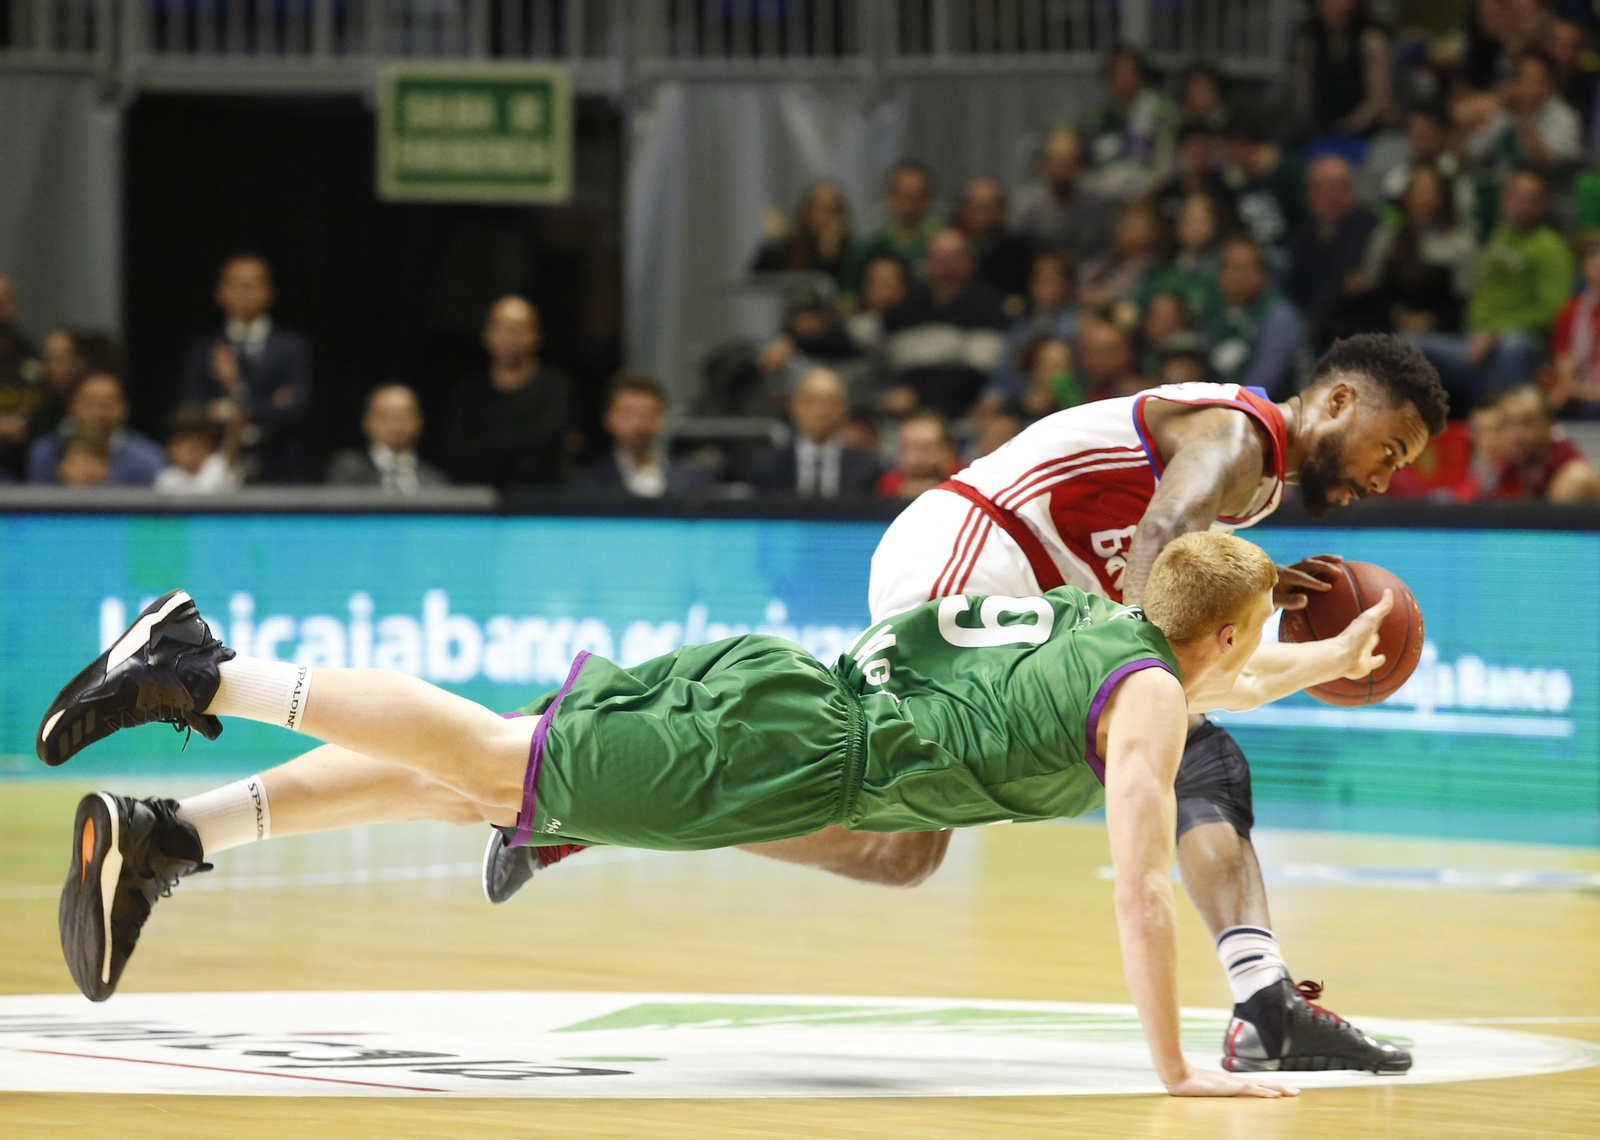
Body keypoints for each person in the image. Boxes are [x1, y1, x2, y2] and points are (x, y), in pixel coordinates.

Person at [41, 530, 1395, 1094]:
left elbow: (1224, 670)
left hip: (787, 696)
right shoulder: (1151, 697)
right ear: (1223, 631)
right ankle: (202, 668)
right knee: (493, 766)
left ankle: (173, 837)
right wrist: (1169, 1074)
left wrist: (1325, 656)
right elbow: (1140, 888)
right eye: (1254, 640)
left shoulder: (1107, 623)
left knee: (484, 778)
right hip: (790, 758)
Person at [529, 333, 1446, 1074]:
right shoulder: (1240, 436)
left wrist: (1261, 592)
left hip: (1017, 586)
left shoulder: (1257, 480)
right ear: (1337, 401)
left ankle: (607, 804)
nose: (1384, 477)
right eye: (1390, 450)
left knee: (901, 852)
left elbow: (1171, 558)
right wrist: (1145, 671)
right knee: (1192, 746)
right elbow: (1165, 533)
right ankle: (1265, 1004)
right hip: (977, 551)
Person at [1405, 169, 1573, 404]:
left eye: (1531, 200)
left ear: (1544, 205)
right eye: (1516, 198)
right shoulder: (1499, 236)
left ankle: (1511, 415)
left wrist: (1495, 332)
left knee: (1513, 347)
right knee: (1408, 345)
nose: (1522, 206)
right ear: (1505, 199)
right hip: (1470, 339)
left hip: (1518, 342)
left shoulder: (1551, 248)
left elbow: (1554, 310)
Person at [181, 255, 313, 484]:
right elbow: (192, 410)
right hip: (217, 463)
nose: (243, 293)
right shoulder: (204, 349)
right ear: (219, 293)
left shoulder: (290, 348)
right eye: (235, 285)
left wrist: (233, 395)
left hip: (279, 466)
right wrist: (269, 404)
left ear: (268, 292)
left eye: (251, 285)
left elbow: (295, 409)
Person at [443, 296, 576, 490]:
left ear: (536, 335)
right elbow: (457, 455)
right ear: (486, 334)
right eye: (500, 327)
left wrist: (488, 450)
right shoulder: (469, 392)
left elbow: (546, 446)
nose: (508, 337)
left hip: (540, 497)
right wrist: (517, 453)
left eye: (517, 328)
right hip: (480, 496)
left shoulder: (555, 387)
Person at [881, 229, 1009, 418]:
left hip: (963, 412)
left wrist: (919, 396)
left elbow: (976, 374)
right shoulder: (906, 308)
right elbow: (883, 362)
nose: (945, 269)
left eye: (952, 259)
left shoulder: (987, 308)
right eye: (937, 259)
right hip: (902, 412)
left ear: (969, 262)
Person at [1351, 165, 1476, 337]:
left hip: (1439, 334)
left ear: (1443, 198)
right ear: (1406, 197)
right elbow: (1370, 289)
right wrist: (1397, 317)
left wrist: (1431, 321)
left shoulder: (1459, 244)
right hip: (1389, 329)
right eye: (1418, 191)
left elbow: (1464, 303)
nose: (1424, 199)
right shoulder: (1386, 237)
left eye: (1431, 191)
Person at [1286, 155, 1380, 349]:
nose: (1330, 196)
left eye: (1337, 187)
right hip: (1313, 330)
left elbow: (1355, 284)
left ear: (1350, 192)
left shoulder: (1369, 228)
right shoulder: (1303, 237)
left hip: (1361, 333)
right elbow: (1296, 289)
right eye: (1321, 188)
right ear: (1309, 195)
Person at [745, 367, 883, 498]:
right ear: (794, 406)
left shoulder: (867, 470)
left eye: (830, 402)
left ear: (844, 409)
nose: (820, 411)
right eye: (810, 401)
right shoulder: (767, 467)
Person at [573, 371, 710, 498]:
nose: (639, 424)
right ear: (607, 419)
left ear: (662, 418)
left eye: (648, 414)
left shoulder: (692, 482)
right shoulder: (587, 484)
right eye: (628, 414)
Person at [1202, 236, 1305, 397]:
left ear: (1263, 274)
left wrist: (1221, 405)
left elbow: (1264, 384)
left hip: (1266, 407)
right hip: (1216, 404)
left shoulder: (1278, 316)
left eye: (1246, 268)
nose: (1238, 276)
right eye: (1232, 267)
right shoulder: (1211, 311)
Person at [1078, 46, 1179, 201]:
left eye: (1130, 73)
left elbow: (1166, 161)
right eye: (1117, 74)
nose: (1123, 81)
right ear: (1107, 79)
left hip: (1149, 195)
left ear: (1142, 77)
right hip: (1104, 195)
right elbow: (1085, 165)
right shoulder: (1094, 119)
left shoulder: (1159, 112)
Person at [26, 373, 164, 486]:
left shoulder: (148, 457)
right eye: (89, 404)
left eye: (107, 405)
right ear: (72, 406)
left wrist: (103, 484)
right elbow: (34, 507)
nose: (98, 414)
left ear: (124, 408)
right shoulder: (44, 452)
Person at [984, 251, 1080, 409]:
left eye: (1052, 279)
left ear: (1066, 284)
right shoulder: (1019, 328)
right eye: (1039, 278)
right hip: (1020, 400)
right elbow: (1003, 375)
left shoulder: (1077, 325)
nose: (1044, 285)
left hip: (1064, 402)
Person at [1011, 127, 1118, 265]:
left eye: (1069, 160)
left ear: (1079, 163)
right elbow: (1015, 251)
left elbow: (1108, 248)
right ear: (1044, 163)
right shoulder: (1026, 205)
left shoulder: (1097, 201)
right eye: (1057, 160)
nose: (1062, 166)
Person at [1293, 0, 1393, 143]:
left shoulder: (1372, 42)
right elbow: (1304, 99)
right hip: (1319, 133)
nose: (1340, 6)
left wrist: (1342, 129)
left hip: (1367, 135)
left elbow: (1378, 102)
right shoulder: (1309, 43)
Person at [841, 161, 941, 293]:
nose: (910, 203)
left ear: (929, 199)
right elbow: (848, 294)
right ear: (889, 197)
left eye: (918, 195)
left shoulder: (942, 245)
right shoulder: (868, 248)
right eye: (905, 195)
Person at [1487, 384, 1600, 501]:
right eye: (1507, 422)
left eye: (1526, 422)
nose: (1515, 435)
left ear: (1549, 423)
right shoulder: (1503, 470)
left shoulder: (1573, 476)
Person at [326, 385, 447, 493]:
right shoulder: (349, 469)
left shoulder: (434, 480)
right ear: (366, 421)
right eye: (385, 416)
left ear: (419, 422)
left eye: (403, 416)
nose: (395, 425)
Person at [952, 177, 1035, 314]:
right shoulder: (951, 247)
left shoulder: (1022, 250)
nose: (980, 213)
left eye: (987, 207)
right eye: (974, 206)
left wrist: (1022, 302)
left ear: (1002, 210)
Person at [751, 181, 854, 287]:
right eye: (822, 209)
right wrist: (773, 245)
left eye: (834, 210)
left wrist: (830, 259)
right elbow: (755, 283)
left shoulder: (852, 253)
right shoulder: (787, 249)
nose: (828, 217)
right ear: (807, 213)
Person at [1550, 238, 1600, 416]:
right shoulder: (1570, 311)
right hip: (1581, 392)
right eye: (1595, 264)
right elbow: (1565, 374)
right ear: (1585, 269)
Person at [154, 406, 241, 494]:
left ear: (203, 441)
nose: (174, 449)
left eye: (183, 441)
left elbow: (207, 493)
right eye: (175, 444)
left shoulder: (219, 466)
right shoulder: (168, 476)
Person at [875, 411, 960, 500]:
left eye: (925, 448)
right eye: (905, 448)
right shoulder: (889, 485)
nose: (912, 458)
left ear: (948, 449)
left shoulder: (966, 480)